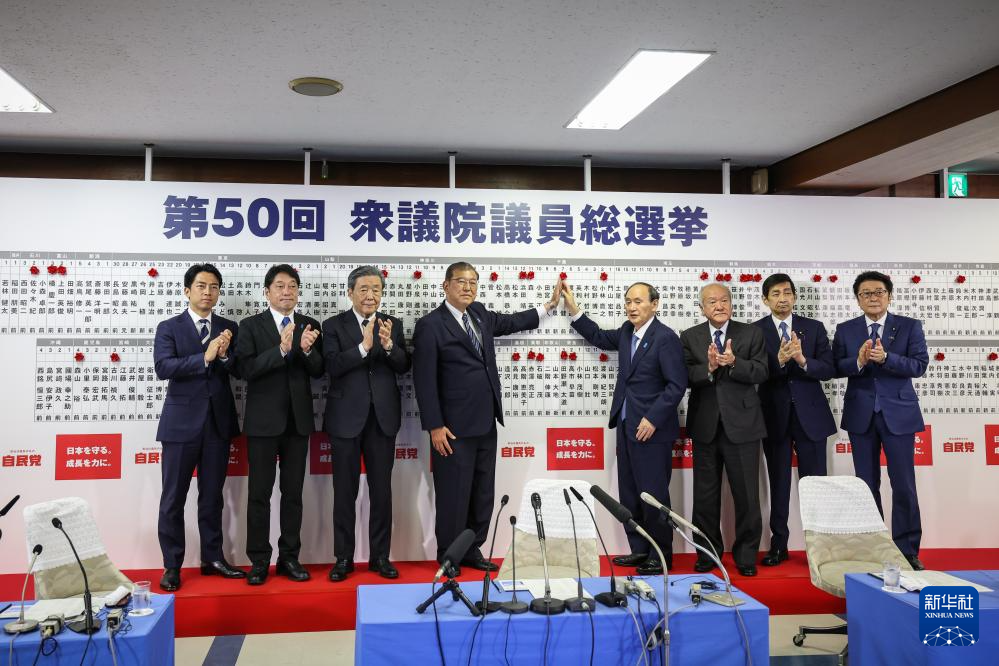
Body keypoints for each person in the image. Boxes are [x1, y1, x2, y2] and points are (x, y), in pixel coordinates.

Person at [412, 262, 560, 572]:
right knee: (454, 494)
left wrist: (547, 307)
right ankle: (449, 555)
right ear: (446, 286)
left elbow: (510, 322)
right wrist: (435, 426)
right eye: (461, 282)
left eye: (473, 282)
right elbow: (424, 381)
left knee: (482, 492)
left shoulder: (478, 313)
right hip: (452, 428)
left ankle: (471, 549)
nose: (468, 288)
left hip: (485, 421)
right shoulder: (431, 325)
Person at [562, 281, 686, 575]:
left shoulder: (665, 338)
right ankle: (640, 549)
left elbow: (676, 385)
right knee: (629, 493)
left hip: (652, 430)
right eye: (628, 301)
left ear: (654, 304)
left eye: (638, 301)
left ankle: (660, 555)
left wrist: (653, 418)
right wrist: (574, 310)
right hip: (627, 424)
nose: (631, 307)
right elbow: (598, 336)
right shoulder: (627, 332)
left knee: (653, 495)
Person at [153, 263, 245, 591]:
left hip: (218, 424)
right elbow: (163, 367)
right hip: (180, 426)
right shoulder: (169, 327)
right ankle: (172, 565)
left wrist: (224, 356)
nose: (208, 292)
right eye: (202, 286)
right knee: (173, 498)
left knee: (212, 497)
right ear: (187, 290)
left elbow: (238, 368)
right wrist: (205, 357)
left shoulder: (228, 327)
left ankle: (213, 558)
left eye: (214, 287)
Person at [234, 264, 323, 585]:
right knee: (258, 494)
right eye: (280, 286)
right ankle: (259, 560)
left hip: (298, 422)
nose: (287, 292)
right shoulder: (250, 326)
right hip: (262, 423)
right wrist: (282, 350)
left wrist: (306, 350)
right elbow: (245, 369)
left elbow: (318, 370)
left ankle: (289, 557)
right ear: (267, 291)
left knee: (293, 493)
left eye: (292, 286)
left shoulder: (310, 325)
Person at [833, 271, 928, 570]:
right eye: (866, 293)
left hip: (898, 414)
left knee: (904, 484)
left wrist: (887, 358)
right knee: (866, 485)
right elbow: (835, 367)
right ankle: (872, 547)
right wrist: (859, 361)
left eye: (878, 292)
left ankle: (907, 550)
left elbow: (919, 365)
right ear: (857, 299)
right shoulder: (846, 329)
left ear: (889, 295)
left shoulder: (909, 326)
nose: (873, 298)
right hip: (861, 415)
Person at [323, 265, 411, 582]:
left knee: (382, 491)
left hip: (382, 419)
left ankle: (380, 557)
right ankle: (343, 558)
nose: (370, 295)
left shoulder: (392, 325)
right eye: (364, 289)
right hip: (345, 419)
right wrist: (363, 347)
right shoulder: (333, 325)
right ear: (350, 293)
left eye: (376, 289)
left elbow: (404, 365)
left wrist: (388, 346)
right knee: (344, 492)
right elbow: (331, 366)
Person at [680, 283, 768, 577]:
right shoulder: (689, 336)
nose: (719, 306)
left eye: (724, 300)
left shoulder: (751, 333)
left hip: (743, 426)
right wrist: (708, 368)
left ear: (731, 304)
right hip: (705, 426)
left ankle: (746, 555)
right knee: (705, 497)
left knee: (747, 496)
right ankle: (707, 554)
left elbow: (762, 371)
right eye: (712, 301)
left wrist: (734, 363)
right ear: (702, 308)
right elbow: (684, 375)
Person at [753, 273, 836, 567]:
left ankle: (820, 548)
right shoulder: (755, 331)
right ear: (765, 300)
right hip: (773, 416)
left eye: (787, 292)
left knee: (815, 485)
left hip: (811, 417)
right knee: (779, 484)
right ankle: (779, 545)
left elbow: (828, 369)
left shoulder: (813, 328)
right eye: (775, 294)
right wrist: (778, 360)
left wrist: (802, 361)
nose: (782, 298)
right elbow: (754, 373)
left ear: (795, 297)